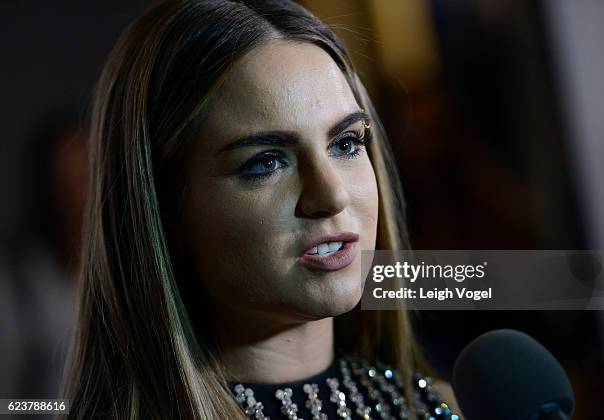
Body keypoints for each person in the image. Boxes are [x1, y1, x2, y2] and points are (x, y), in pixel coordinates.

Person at [61, 1, 460, 419]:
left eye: (345, 143)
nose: (331, 196)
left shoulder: (451, 407)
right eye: (266, 161)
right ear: (163, 206)